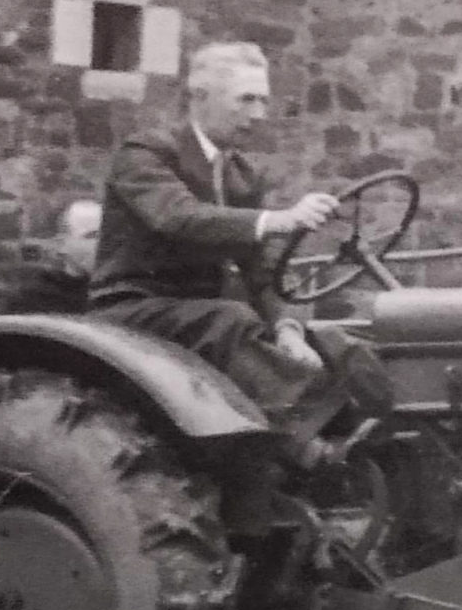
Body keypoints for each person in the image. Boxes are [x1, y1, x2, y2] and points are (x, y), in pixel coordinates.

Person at [91, 40, 386, 447]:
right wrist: (277, 219)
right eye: (246, 100)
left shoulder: (241, 175)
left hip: (200, 318)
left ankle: (385, 436)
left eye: (263, 101)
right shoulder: (147, 153)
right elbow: (178, 217)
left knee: (333, 342)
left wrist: (288, 329)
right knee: (232, 319)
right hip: (137, 309)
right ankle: (302, 443)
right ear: (200, 96)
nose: (258, 114)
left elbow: (263, 268)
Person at [1, 199, 100, 315]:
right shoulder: (33, 300)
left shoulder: (112, 292)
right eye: (92, 236)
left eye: (108, 237)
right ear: (62, 243)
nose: (104, 244)